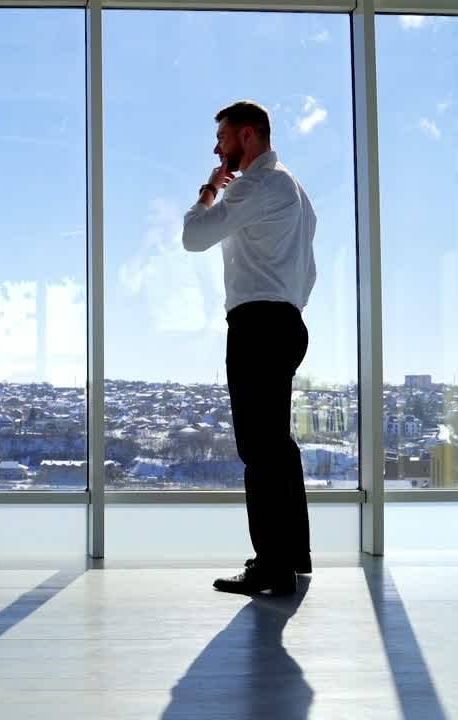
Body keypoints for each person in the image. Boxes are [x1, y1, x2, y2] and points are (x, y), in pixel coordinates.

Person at [180, 101, 316, 596]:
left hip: (257, 323)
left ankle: (271, 566)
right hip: (286, 319)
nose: (217, 149)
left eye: (223, 138)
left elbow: (195, 237)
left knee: (258, 449)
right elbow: (310, 269)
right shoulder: (293, 189)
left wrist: (209, 193)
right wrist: (288, 306)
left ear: (249, 135)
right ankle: (292, 556)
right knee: (278, 446)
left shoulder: (257, 185)